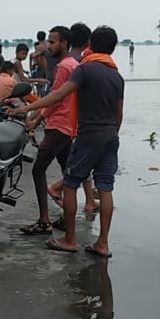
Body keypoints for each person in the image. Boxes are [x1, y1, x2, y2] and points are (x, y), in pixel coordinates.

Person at [14, 25, 124, 257]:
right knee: (105, 188)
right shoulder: (117, 75)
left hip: (88, 135)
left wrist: (26, 109)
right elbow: (118, 114)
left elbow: (57, 95)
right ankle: (102, 243)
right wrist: (112, 134)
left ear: (91, 44)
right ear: (113, 49)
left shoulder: (85, 70)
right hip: (110, 137)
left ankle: (70, 239)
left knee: (71, 184)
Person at [19, 25, 75, 236]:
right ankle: (67, 219)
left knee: (38, 170)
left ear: (64, 43)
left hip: (58, 125)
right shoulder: (73, 64)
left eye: (53, 42)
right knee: (69, 173)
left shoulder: (64, 67)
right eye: (48, 41)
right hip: (68, 125)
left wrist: (32, 116)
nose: (48, 46)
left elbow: (55, 99)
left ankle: (44, 221)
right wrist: (36, 118)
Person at [47, 23, 98, 218]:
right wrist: (38, 116)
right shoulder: (78, 63)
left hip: (69, 121)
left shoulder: (69, 61)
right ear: (87, 41)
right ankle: (59, 191)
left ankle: (88, 201)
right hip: (73, 121)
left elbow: (55, 94)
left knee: (76, 161)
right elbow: (58, 96)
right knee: (79, 163)